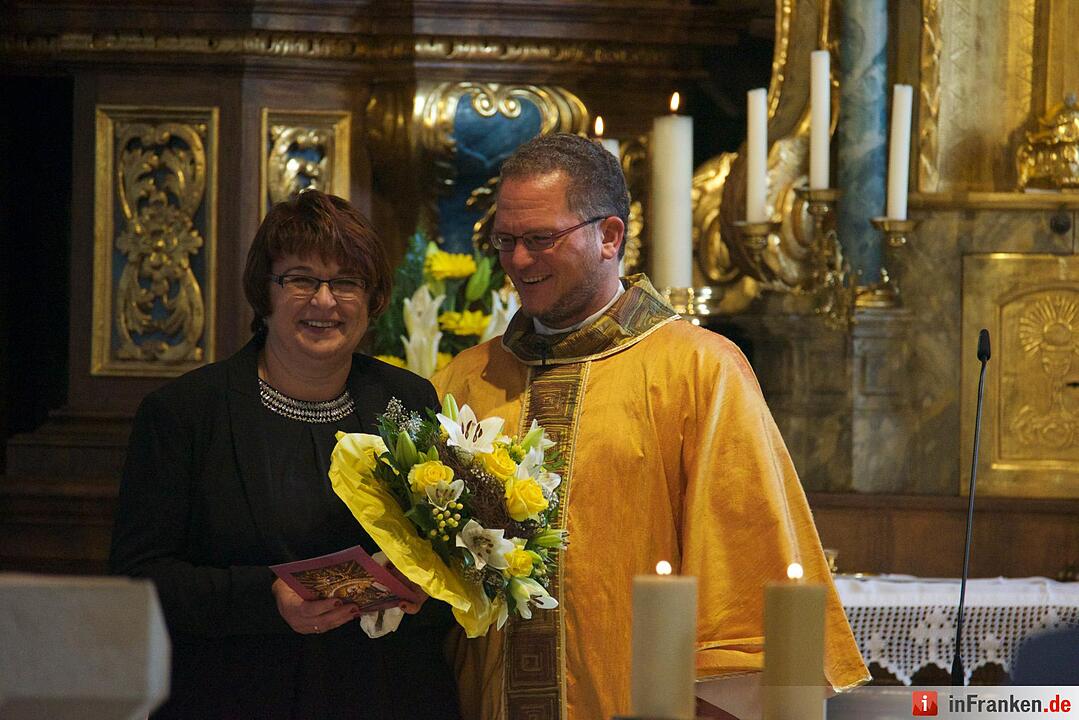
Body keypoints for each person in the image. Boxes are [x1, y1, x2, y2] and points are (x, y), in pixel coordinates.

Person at [432, 133, 870, 720]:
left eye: (540, 239)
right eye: (505, 241)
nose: (517, 261)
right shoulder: (466, 378)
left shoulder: (699, 369)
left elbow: (748, 573)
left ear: (609, 236)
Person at [110, 189, 460, 719]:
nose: (325, 301)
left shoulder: (407, 400)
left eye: (346, 282)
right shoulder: (185, 412)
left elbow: (449, 554)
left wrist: (427, 590)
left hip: (384, 692)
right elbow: (138, 578)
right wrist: (267, 597)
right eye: (301, 279)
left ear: (372, 298)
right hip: (237, 691)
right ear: (264, 292)